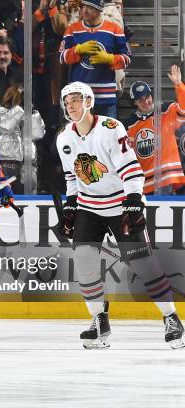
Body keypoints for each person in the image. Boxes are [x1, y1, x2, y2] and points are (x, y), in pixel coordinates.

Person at [56, 81, 184, 349]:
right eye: (68, 102)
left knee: (142, 263)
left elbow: (131, 169)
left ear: (89, 101)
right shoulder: (64, 137)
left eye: (76, 100)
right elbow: (71, 177)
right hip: (89, 207)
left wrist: (134, 200)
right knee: (84, 262)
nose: (71, 106)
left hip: (120, 204)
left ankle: (171, 318)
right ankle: (99, 321)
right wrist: (70, 204)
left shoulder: (111, 129)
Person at [59, 0, 131, 118]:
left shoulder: (114, 29)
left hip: (106, 98)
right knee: (79, 136)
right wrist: (77, 50)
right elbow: (61, 57)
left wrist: (110, 59)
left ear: (99, 9)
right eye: (83, 7)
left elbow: (127, 57)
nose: (84, 10)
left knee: (107, 135)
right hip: (79, 97)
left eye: (90, 7)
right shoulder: (73, 29)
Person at [123, 66, 185, 194]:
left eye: (147, 97)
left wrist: (179, 84)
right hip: (143, 184)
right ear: (134, 102)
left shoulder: (166, 111)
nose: (146, 101)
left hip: (166, 179)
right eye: (140, 99)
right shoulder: (129, 125)